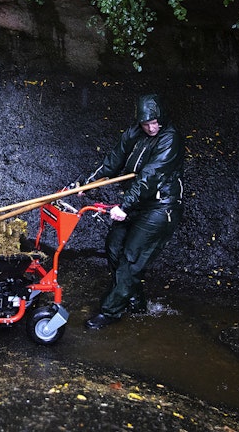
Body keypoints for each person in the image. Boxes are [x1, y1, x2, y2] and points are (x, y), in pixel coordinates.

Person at [80, 93, 184, 330]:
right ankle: (135, 302)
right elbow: (113, 160)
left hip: (160, 207)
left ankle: (110, 311)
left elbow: (150, 176)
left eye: (154, 122)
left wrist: (124, 205)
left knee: (131, 257)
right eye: (146, 123)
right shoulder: (134, 134)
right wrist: (87, 183)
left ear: (162, 117)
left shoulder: (170, 139)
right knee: (114, 246)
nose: (151, 128)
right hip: (137, 204)